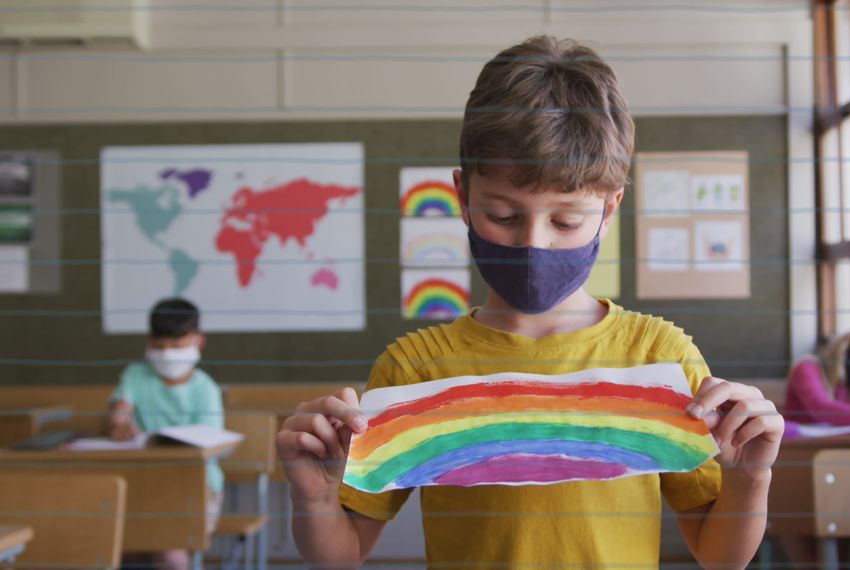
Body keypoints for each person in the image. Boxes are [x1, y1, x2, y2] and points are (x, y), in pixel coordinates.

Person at [276, 36, 784, 569]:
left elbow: (720, 556)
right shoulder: (415, 367)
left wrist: (750, 477)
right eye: (503, 215)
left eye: (566, 221)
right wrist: (312, 496)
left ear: (610, 208)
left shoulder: (658, 357)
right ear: (463, 198)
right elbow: (344, 554)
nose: (534, 244)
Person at [107, 297, 225, 570]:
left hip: (195, 487)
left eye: (177, 345)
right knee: (116, 544)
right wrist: (118, 418)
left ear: (198, 341)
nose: (168, 353)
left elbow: (210, 444)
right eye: (160, 347)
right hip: (139, 483)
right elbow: (120, 407)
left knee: (170, 553)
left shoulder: (206, 390)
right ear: (148, 341)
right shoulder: (134, 376)